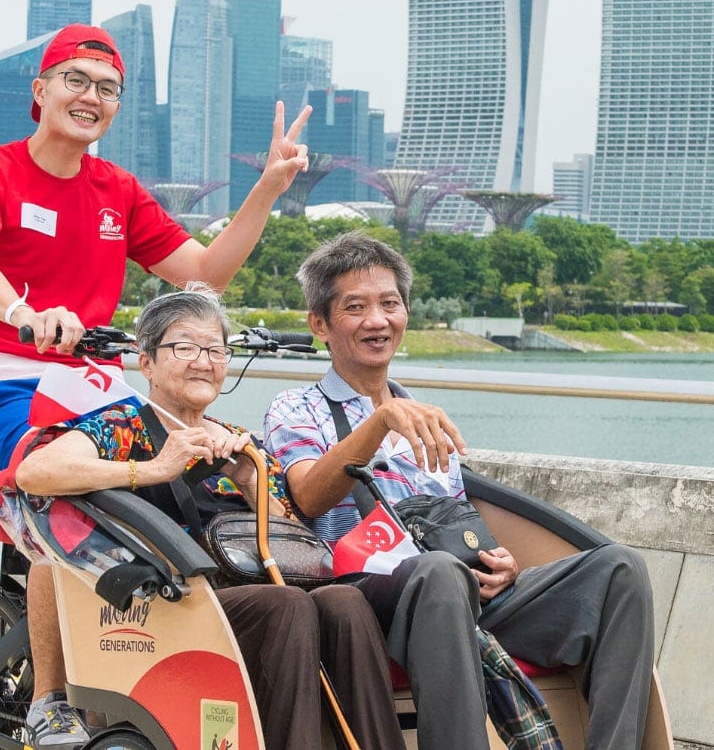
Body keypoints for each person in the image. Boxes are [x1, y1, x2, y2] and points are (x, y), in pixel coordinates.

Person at [0, 23, 310, 747]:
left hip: (98, 382)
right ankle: (50, 700)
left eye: (107, 89)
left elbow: (205, 275)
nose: (91, 97)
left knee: (196, 479)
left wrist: (268, 187)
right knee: (55, 498)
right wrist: (26, 313)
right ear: (41, 90)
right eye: (76, 81)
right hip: (11, 380)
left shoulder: (118, 190)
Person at [263, 232, 657, 750]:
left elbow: (455, 517)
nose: (377, 321)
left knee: (619, 568)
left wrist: (500, 562)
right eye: (356, 307)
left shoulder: (426, 415)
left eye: (390, 304)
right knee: (440, 572)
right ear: (320, 323)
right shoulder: (297, 409)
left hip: (462, 591)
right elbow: (310, 496)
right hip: (366, 597)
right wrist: (379, 423)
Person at [15, 289, 406, 750]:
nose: (203, 361)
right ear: (148, 364)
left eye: (215, 350)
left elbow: (293, 543)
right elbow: (34, 471)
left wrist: (247, 480)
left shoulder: (236, 440)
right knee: (287, 607)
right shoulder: (123, 426)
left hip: (236, 592)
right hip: (164, 598)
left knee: (344, 602)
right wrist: (154, 468)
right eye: (184, 348)